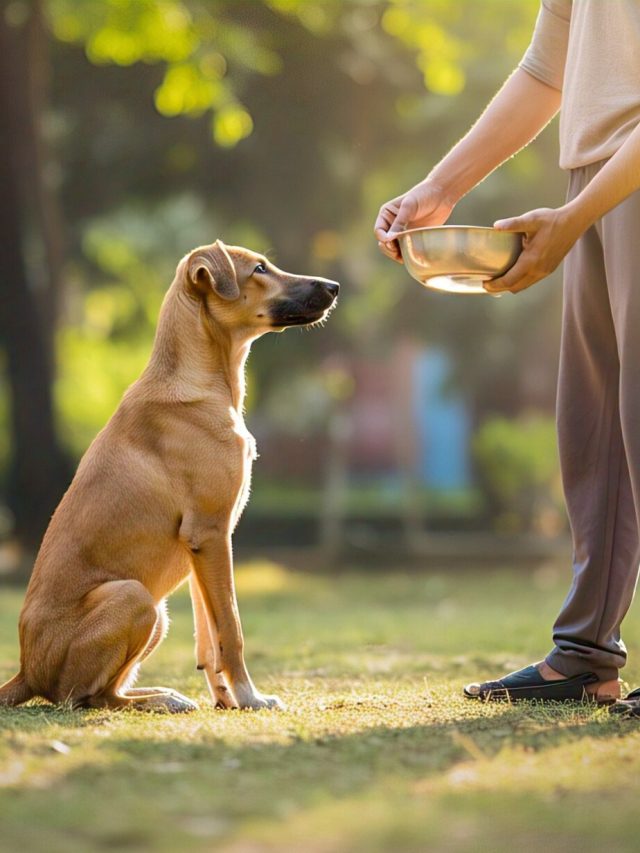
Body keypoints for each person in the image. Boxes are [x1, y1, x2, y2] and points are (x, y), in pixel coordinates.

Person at [375, 0, 640, 714]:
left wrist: (576, 218)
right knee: (596, 430)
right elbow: (545, 69)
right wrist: (440, 187)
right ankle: (586, 654)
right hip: (593, 172)